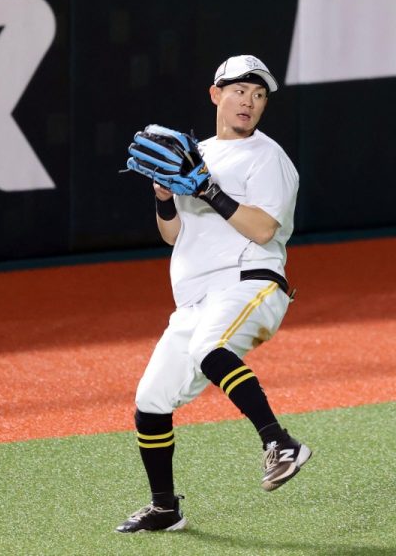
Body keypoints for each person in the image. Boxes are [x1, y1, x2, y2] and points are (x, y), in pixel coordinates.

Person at [115, 55, 309, 533]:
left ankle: (280, 443)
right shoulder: (195, 153)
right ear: (215, 94)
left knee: (210, 348)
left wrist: (208, 190)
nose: (249, 101)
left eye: (259, 95)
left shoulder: (268, 157)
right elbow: (173, 235)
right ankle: (165, 508)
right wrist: (164, 198)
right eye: (239, 90)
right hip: (195, 299)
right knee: (151, 400)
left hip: (250, 281)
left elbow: (263, 229)